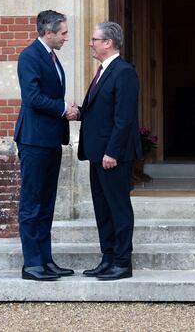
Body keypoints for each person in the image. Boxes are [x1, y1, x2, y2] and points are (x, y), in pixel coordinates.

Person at [14, 10, 80, 281]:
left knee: (46, 203)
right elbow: (32, 98)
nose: (66, 37)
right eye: (63, 33)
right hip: (33, 140)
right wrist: (64, 109)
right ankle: (31, 264)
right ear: (48, 32)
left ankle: (45, 260)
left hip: (50, 139)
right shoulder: (29, 56)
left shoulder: (52, 57)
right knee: (32, 203)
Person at [77, 21, 142, 281]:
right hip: (96, 153)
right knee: (102, 209)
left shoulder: (123, 72)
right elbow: (99, 110)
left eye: (94, 39)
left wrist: (112, 153)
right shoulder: (103, 71)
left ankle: (122, 262)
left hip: (113, 156)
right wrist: (77, 113)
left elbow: (124, 118)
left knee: (118, 209)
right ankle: (108, 258)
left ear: (108, 43)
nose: (91, 44)